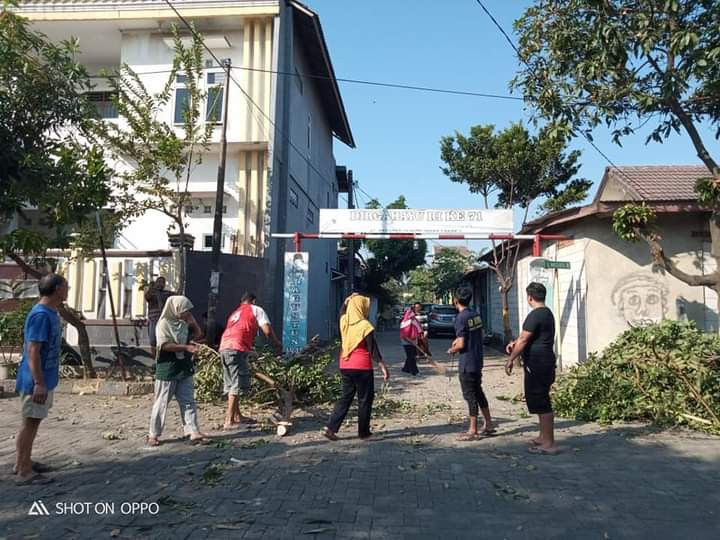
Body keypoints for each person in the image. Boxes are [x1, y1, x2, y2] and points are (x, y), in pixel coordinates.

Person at [14, 274, 68, 485]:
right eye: (65, 286)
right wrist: (39, 382)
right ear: (56, 289)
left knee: (33, 423)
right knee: (30, 423)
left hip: (45, 378)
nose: (68, 289)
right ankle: (23, 470)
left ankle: (24, 461)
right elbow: (33, 351)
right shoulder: (40, 315)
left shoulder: (52, 312)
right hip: (35, 381)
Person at [323, 294, 390, 441]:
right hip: (362, 367)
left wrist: (346, 301)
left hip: (345, 365)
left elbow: (341, 313)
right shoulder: (365, 326)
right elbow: (373, 349)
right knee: (365, 399)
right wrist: (383, 367)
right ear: (361, 307)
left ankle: (330, 427)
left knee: (345, 397)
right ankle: (364, 433)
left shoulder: (344, 321)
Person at [505, 282, 559, 455]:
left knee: (541, 400)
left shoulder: (536, 315)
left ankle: (549, 443)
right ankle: (543, 437)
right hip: (542, 361)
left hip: (539, 363)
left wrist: (511, 359)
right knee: (537, 399)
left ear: (529, 297)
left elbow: (524, 340)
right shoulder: (547, 314)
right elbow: (526, 337)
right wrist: (515, 343)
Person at [147, 296, 207, 446]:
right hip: (168, 368)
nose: (186, 313)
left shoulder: (183, 324)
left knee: (188, 401)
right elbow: (164, 345)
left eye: (188, 311)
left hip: (184, 367)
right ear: (175, 309)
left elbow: (199, 335)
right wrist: (185, 347)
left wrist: (192, 320)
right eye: (184, 310)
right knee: (161, 402)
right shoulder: (163, 324)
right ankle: (153, 434)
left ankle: (192, 430)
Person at [219, 292, 281, 430]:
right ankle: (229, 421)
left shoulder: (235, 313)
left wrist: (249, 351)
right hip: (237, 348)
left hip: (224, 347)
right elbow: (267, 330)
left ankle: (237, 416)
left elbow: (238, 331)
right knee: (236, 384)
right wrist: (276, 343)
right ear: (253, 301)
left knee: (230, 383)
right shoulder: (256, 309)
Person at [448, 286, 495, 441]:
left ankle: (473, 430)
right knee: (478, 392)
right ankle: (488, 424)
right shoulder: (475, 315)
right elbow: (474, 335)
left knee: (470, 395)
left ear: (455, 301)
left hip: (467, 362)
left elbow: (461, 344)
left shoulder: (460, 318)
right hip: (477, 359)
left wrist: (452, 349)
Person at [144, 277, 175, 356]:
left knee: (163, 340)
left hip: (164, 320)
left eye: (162, 282)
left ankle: (162, 358)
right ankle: (156, 359)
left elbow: (176, 295)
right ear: (156, 283)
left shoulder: (167, 293)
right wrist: (152, 287)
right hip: (153, 319)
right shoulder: (151, 293)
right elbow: (147, 297)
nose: (160, 284)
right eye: (159, 282)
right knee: (153, 341)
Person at [399, 307, 423, 375]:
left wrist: (415, 341)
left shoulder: (414, 321)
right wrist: (411, 342)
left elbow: (418, 329)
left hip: (413, 341)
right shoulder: (405, 323)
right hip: (406, 342)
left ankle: (406, 369)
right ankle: (414, 371)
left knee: (411, 355)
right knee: (411, 356)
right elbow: (404, 336)